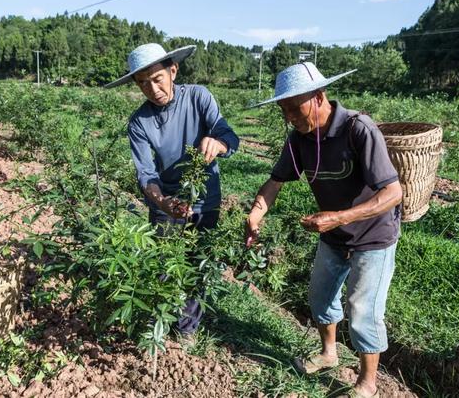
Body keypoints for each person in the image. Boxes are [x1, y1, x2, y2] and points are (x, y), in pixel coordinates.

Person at [244, 62, 402, 398]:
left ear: (318, 96)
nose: (289, 117)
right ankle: (329, 354)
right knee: (320, 298)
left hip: (373, 237)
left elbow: (393, 193)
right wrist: (256, 213)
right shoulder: (298, 139)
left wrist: (340, 217)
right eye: (283, 110)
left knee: (363, 311)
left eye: (293, 108)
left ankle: (367, 383)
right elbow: (275, 181)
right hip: (333, 236)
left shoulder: (358, 129)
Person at [105, 43, 239, 336]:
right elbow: (146, 174)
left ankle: (187, 331)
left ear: (173, 71)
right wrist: (163, 202)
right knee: (164, 268)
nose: (152, 88)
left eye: (157, 78)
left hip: (206, 201)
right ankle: (161, 325)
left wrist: (218, 143)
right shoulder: (139, 122)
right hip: (167, 203)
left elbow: (226, 133)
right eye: (142, 83)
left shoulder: (199, 97)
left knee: (197, 268)